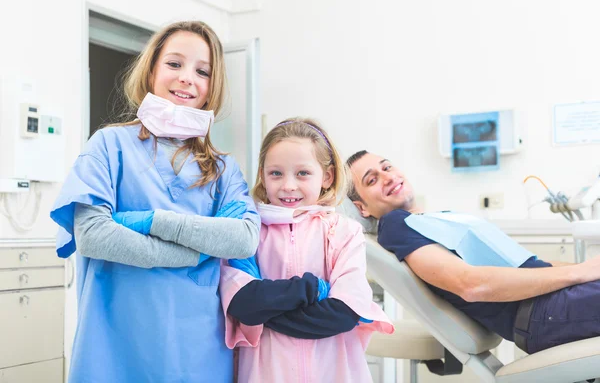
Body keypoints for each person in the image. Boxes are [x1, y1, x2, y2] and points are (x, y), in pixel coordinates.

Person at [50, 21, 260, 382]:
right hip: (115, 343)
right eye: (174, 64)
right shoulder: (109, 146)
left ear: (213, 87)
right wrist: (196, 253)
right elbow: (93, 235)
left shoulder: (223, 169)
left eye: (202, 71)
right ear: (151, 73)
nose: (187, 78)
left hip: (197, 348)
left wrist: (146, 220)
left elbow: (242, 239)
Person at [346, 150, 600, 355]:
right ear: (362, 208)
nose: (387, 177)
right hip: (542, 313)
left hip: (553, 301)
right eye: (372, 179)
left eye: (387, 167)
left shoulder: (433, 220)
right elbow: (470, 284)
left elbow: (529, 264)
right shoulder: (395, 226)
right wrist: (580, 272)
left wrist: (588, 271)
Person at [218, 118, 394, 382]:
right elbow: (244, 304)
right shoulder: (247, 232)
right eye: (276, 173)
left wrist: (268, 310)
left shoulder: (344, 232)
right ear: (263, 177)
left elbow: (343, 314)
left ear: (327, 177)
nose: (288, 185)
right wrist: (307, 291)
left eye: (302, 173)